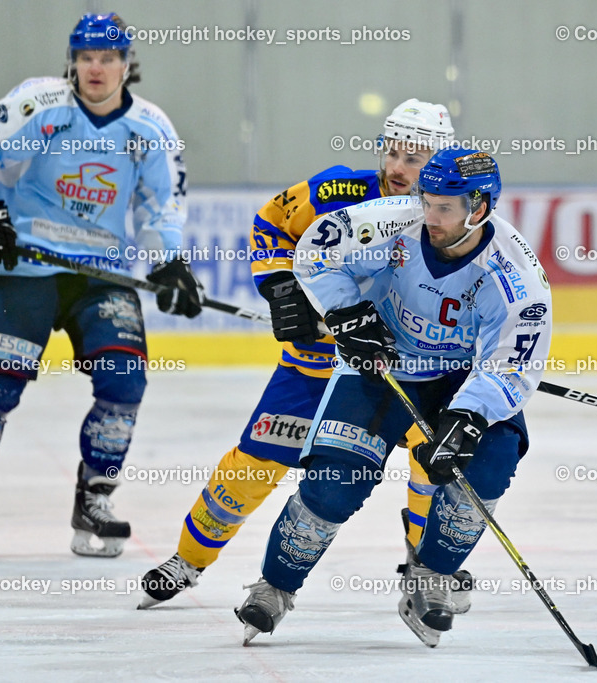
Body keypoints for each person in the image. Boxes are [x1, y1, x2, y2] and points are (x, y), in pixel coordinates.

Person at [138, 100, 462, 607]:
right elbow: (270, 224)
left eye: (415, 159)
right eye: (393, 152)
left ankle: (426, 566)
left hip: (408, 376)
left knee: (434, 463)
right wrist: (284, 290)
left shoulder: (452, 219)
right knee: (256, 461)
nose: (398, 168)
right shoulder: (339, 191)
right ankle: (189, 558)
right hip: (316, 365)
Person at [235, 148, 553, 647]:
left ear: (481, 208)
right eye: (428, 202)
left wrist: (469, 416)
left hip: (459, 381)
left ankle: (432, 577)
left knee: (489, 463)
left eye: (445, 207)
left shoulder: (516, 278)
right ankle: (275, 585)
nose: (430, 217)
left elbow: (512, 364)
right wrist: (346, 312)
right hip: (380, 369)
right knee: (335, 482)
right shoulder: (393, 223)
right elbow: (317, 250)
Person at [0, 12, 202, 559]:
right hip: (27, 268)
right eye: (85, 58)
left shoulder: (150, 129)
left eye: (107, 58)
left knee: (124, 383)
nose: (95, 69)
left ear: (128, 65)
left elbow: (162, 206)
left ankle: (95, 499)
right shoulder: (39, 104)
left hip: (100, 275)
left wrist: (170, 263)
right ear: (72, 62)